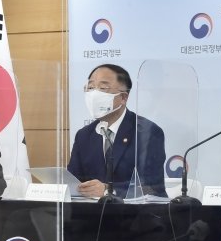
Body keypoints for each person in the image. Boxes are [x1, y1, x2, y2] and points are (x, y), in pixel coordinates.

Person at [68, 64, 167, 198]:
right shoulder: (84, 135)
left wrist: (108, 191)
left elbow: (152, 187)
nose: (94, 94)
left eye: (103, 88)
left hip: (133, 210)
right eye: (90, 88)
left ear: (123, 98)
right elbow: (73, 181)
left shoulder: (147, 133)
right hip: (91, 209)